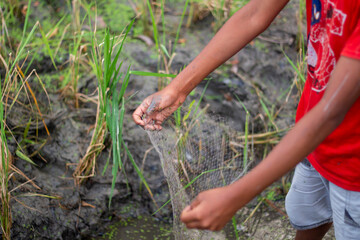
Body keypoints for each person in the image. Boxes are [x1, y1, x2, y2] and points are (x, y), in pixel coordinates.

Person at [132, 0, 360, 239]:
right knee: (307, 216)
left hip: (352, 163)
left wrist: (235, 196)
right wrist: (177, 89)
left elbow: (331, 112)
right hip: (311, 139)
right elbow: (255, 13)